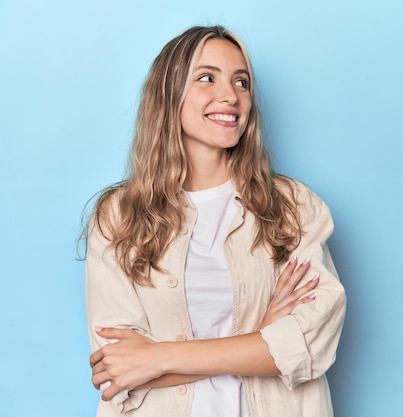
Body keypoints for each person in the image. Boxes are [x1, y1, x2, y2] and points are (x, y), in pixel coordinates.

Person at [84, 25, 346, 417]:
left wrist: (158, 358)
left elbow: (310, 344)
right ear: (168, 95)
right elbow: (117, 368)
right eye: (207, 78)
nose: (231, 96)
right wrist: (258, 340)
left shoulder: (293, 207)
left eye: (241, 82)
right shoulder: (118, 217)